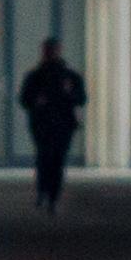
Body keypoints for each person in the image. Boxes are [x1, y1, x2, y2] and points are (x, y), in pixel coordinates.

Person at [20, 40, 87, 210]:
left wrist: (68, 93)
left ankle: (48, 195)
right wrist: (37, 101)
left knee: (51, 159)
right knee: (49, 159)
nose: (50, 54)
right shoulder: (38, 76)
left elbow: (81, 98)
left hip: (57, 124)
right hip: (47, 124)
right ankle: (48, 195)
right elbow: (25, 99)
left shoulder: (66, 77)